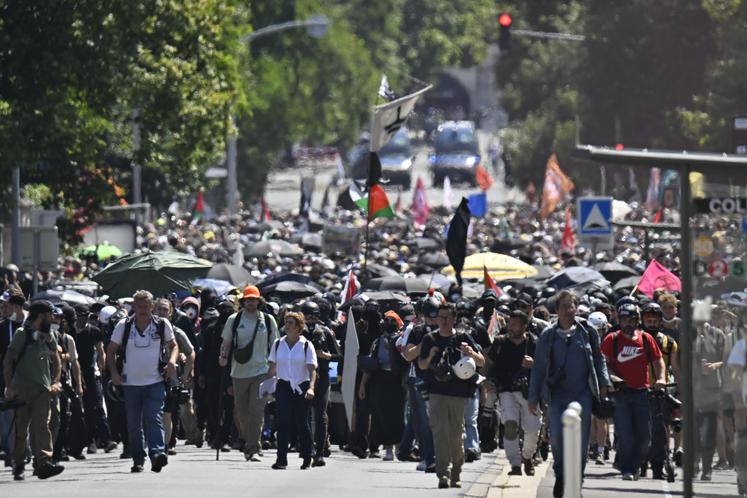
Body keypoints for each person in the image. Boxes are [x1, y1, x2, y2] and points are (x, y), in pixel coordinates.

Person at [528, 290, 610, 498]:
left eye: (570, 306)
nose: (567, 310)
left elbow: (599, 360)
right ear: (557, 310)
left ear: (576, 308)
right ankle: (561, 475)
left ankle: (576, 482)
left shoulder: (588, 331)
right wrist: (534, 397)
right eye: (563, 306)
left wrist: (604, 385)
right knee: (557, 438)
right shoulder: (548, 334)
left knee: (581, 443)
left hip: (583, 394)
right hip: (557, 395)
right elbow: (538, 368)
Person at [107, 290, 179, 473]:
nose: (143, 310)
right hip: (130, 384)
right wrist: (114, 374)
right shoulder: (124, 325)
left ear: (152, 307)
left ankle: (157, 455)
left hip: (155, 382)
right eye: (139, 306)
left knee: (154, 419)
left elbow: (173, 346)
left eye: (146, 306)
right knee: (133, 424)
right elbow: (111, 350)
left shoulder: (162, 325)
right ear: (134, 307)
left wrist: (171, 362)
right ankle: (138, 459)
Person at [418, 303, 485, 489]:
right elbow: (422, 366)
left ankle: (456, 471)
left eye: (447, 317)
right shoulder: (430, 339)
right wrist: (430, 356)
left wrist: (470, 353)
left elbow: (482, 361)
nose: (444, 321)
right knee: (439, 433)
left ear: (454, 318)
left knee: (456, 435)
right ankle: (443, 474)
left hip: (458, 394)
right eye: (441, 317)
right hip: (436, 393)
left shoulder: (463, 338)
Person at [601, 303, 666, 481]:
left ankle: (635, 465)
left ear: (637, 321)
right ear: (619, 321)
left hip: (642, 394)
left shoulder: (646, 339)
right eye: (624, 320)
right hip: (620, 395)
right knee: (626, 434)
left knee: (646, 439)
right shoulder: (611, 339)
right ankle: (627, 469)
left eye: (631, 320)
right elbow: (603, 364)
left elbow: (658, 360)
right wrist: (613, 378)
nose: (628, 323)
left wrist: (661, 378)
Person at [2, 300, 65, 480]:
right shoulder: (21, 334)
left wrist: (55, 381)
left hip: (43, 390)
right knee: (21, 430)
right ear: (41, 316)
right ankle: (19, 464)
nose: (53, 318)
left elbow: (57, 359)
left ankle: (43, 463)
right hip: (22, 389)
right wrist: (9, 386)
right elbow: (8, 360)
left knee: (42, 426)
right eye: (50, 314)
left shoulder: (50, 335)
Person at [219, 285, 279, 462]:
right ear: (243, 301)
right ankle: (250, 439)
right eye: (248, 299)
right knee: (241, 412)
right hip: (238, 371)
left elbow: (275, 346)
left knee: (257, 410)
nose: (251, 302)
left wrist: (273, 368)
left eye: (254, 299)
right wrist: (222, 357)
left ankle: (253, 447)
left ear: (259, 301)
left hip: (261, 371)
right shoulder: (234, 319)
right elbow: (226, 343)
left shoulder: (268, 320)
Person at [487, 310, 539, 476]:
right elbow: (490, 366)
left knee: (532, 430)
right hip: (506, 391)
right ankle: (515, 464)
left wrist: (534, 364)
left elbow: (546, 368)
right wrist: (489, 381)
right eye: (509, 323)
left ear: (524, 326)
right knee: (510, 426)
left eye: (515, 324)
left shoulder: (534, 343)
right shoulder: (500, 343)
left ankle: (527, 456)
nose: (510, 327)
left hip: (529, 393)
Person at [267, 311, 317, 470]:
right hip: (283, 386)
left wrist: (311, 388)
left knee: (302, 423)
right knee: (282, 423)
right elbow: (272, 368)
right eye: (286, 322)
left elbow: (312, 370)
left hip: (301, 386)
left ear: (298, 327)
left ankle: (307, 457)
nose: (286, 325)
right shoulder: (277, 343)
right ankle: (281, 459)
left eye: (290, 323)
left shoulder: (307, 345)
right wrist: (267, 386)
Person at [358, 310, 407, 462]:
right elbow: (371, 364)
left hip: (398, 381)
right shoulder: (377, 341)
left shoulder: (402, 340)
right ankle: (388, 448)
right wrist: (362, 385)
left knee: (398, 415)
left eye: (393, 321)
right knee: (382, 415)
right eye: (387, 321)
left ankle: (400, 446)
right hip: (380, 381)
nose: (389, 324)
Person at [301, 300, 341, 467]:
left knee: (320, 414)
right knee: (303, 414)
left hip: (322, 376)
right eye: (307, 316)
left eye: (313, 316)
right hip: (301, 376)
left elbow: (339, 355)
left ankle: (320, 452)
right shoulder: (296, 332)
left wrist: (324, 355)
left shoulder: (325, 331)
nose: (310, 320)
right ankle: (306, 449)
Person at [154, 298, 195, 456]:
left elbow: (191, 352)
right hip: (149, 377)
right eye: (159, 309)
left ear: (170, 313)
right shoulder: (147, 330)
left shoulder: (176, 332)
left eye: (165, 309)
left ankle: (167, 445)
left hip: (170, 379)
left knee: (168, 412)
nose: (162, 312)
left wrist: (185, 374)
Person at [403, 296, 439, 473]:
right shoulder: (418, 330)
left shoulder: (446, 329)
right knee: (424, 422)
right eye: (430, 317)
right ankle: (427, 456)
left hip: (443, 381)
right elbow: (408, 355)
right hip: (421, 380)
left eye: (436, 316)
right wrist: (423, 343)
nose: (433, 321)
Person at [0, 289, 25, 466]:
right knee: (7, 419)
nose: (3, 309)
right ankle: (13, 455)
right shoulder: (2, 328)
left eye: (6, 306)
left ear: (16, 307)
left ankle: (25, 452)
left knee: (25, 419)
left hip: (28, 381)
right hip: (6, 382)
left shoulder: (31, 326)